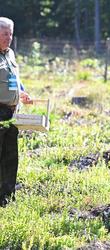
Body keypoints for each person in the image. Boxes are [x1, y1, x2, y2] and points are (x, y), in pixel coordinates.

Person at [0, 17, 32, 207]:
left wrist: (21, 92)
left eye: (11, 34)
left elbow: (12, 78)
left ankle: (7, 196)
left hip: (12, 113)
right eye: (5, 34)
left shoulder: (10, 54)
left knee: (11, 155)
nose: (9, 38)